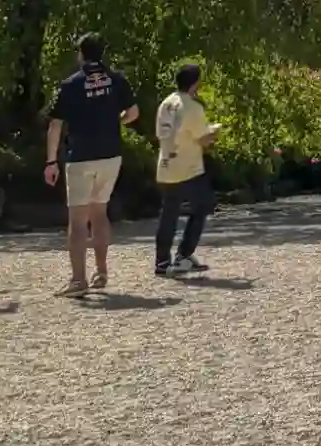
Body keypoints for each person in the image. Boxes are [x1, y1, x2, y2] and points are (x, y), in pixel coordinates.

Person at [43, 34, 138, 298]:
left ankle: (78, 280)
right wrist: (114, 121)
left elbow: (55, 124)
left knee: (77, 220)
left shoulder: (71, 84)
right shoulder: (117, 79)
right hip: (110, 154)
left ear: (81, 54)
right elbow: (133, 113)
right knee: (100, 212)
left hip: (81, 156)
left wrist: (51, 160)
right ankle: (101, 271)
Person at [154, 61, 220, 279]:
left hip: (166, 164)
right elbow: (203, 139)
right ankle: (184, 254)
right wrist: (214, 132)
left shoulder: (166, 103)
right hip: (188, 167)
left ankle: (162, 261)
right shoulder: (192, 107)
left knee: (169, 214)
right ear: (195, 83)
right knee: (203, 206)